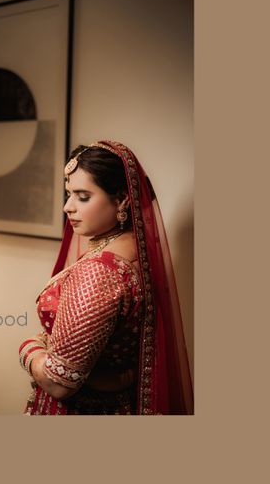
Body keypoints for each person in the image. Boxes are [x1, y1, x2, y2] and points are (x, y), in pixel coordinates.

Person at [19, 140, 193, 415]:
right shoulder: (136, 251)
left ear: (122, 199)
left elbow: (58, 383)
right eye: (69, 194)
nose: (68, 207)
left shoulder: (99, 273)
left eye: (82, 196)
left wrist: (29, 348)